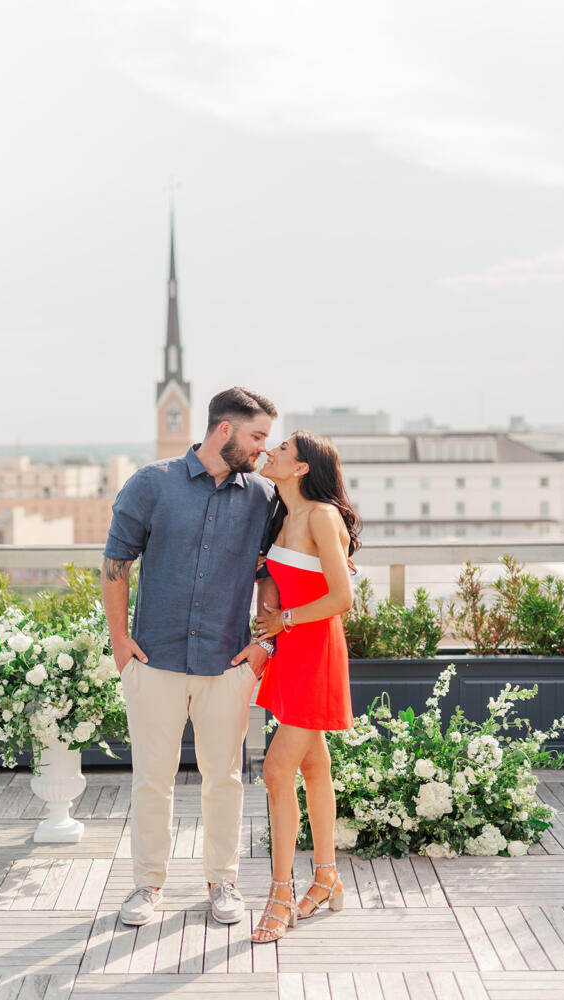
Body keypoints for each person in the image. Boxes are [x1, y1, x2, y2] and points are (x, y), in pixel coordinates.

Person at [102, 387, 279, 928]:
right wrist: (118, 641)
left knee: (223, 778)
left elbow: (274, 570)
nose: (262, 450)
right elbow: (115, 563)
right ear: (224, 430)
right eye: (256, 437)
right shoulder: (151, 484)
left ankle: (222, 880)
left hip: (227, 664)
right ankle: (147, 886)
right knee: (151, 778)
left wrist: (263, 642)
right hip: (152, 658)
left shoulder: (265, 498)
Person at [238, 430, 362, 943]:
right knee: (314, 766)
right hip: (291, 653)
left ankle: (281, 892)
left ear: (303, 467)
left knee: (274, 770)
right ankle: (328, 877)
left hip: (315, 652)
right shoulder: (282, 516)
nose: (271, 452)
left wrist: (283, 620)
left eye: (282, 449)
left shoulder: (321, 516)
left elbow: (342, 598)